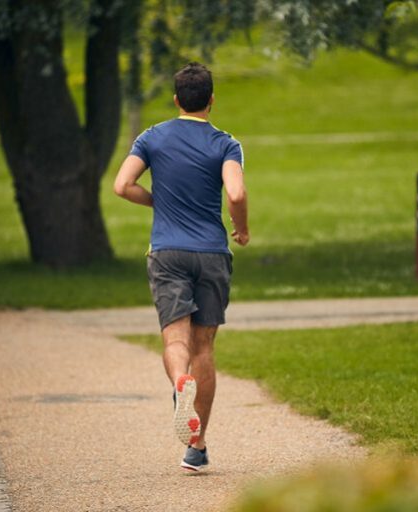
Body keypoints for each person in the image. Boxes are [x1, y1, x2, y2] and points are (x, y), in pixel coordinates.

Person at [113, 62, 249, 472]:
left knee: (176, 339)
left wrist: (157, 201)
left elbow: (122, 185)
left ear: (176, 100)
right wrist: (240, 229)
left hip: (167, 251)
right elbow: (237, 192)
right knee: (204, 347)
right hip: (211, 252)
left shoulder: (152, 137)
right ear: (211, 100)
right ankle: (197, 446)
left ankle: (179, 384)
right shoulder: (226, 144)